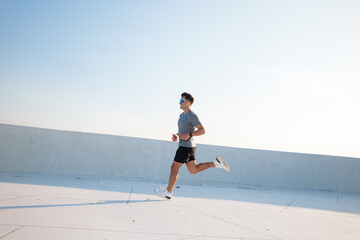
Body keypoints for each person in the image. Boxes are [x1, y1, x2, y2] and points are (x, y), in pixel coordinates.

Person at [154, 92, 230, 200]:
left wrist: (189, 134)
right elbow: (184, 130)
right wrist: (177, 135)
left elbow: (202, 130)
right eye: (179, 100)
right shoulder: (182, 115)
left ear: (188, 103)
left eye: (182, 101)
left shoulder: (192, 116)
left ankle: (168, 192)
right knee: (193, 170)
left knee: (174, 167)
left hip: (186, 146)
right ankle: (216, 163)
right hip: (188, 146)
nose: (179, 102)